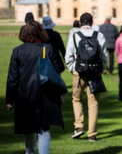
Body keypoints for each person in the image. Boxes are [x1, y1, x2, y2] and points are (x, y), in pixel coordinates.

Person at [7, 21, 64, 154]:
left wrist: (10, 99)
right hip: (46, 94)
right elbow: (56, 74)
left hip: (25, 95)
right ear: (40, 32)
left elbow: (13, 78)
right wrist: (58, 95)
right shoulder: (47, 48)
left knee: (28, 130)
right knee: (44, 130)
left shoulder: (18, 51)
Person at [65, 13, 107, 142]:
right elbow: (103, 56)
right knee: (93, 103)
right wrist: (102, 68)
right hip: (94, 73)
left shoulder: (75, 35)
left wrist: (73, 69)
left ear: (79, 23)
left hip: (79, 72)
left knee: (76, 99)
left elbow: (68, 56)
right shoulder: (99, 36)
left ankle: (79, 126)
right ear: (92, 22)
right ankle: (92, 134)